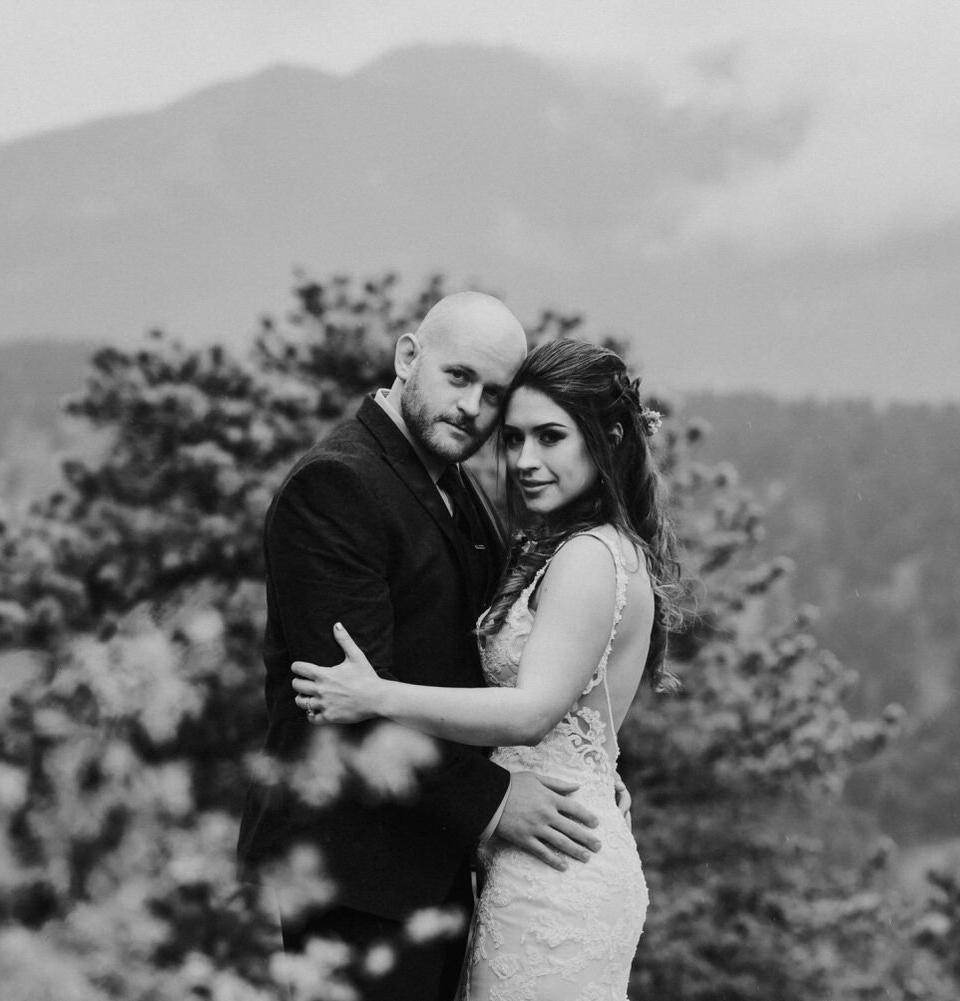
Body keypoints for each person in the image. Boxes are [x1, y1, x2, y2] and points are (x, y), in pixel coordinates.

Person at [235, 293, 609, 1001]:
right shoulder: (338, 483)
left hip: (429, 859)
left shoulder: (453, 482)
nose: (474, 407)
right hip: (354, 871)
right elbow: (346, 702)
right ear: (408, 357)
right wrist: (496, 800)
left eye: (494, 393)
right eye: (459, 377)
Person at [293, 336, 682, 1000]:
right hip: (541, 847)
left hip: (557, 858)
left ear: (609, 437)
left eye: (551, 437)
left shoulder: (589, 556)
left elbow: (532, 713)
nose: (525, 460)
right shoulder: (573, 544)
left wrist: (377, 694)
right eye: (515, 439)